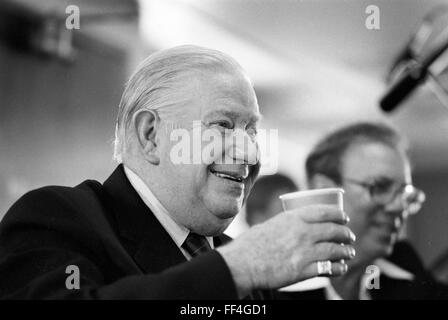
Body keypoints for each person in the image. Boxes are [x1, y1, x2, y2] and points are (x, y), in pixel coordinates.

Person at [0, 45, 355, 299]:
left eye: (251, 130)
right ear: (150, 136)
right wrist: (239, 268)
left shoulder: (239, 258)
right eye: (223, 125)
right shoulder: (55, 217)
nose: (249, 150)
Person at [284, 122, 448, 300]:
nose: (398, 207)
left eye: (404, 194)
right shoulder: (274, 288)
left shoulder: (407, 270)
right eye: (380, 187)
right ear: (324, 190)